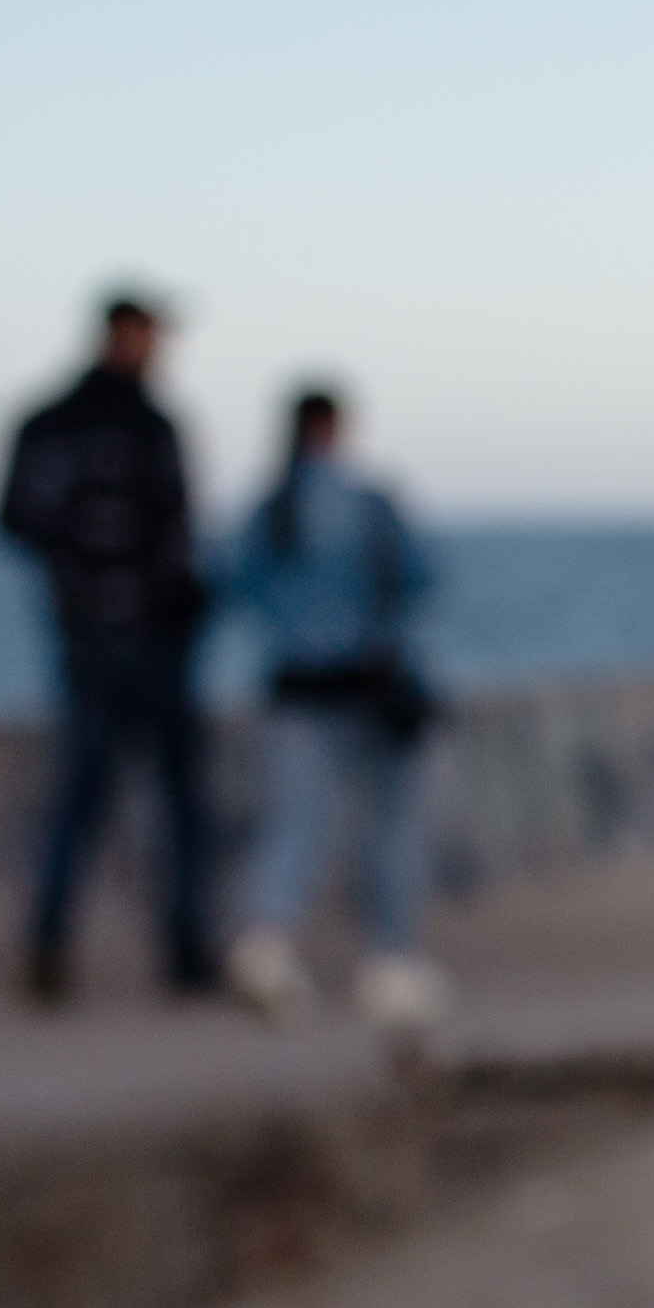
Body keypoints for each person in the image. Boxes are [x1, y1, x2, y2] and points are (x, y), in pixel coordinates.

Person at [0, 289, 221, 1002]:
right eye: (150, 336)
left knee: (102, 798)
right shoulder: (125, 426)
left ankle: (78, 948)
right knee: (142, 799)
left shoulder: (58, 422)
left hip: (113, 633)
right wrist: (109, 568)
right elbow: (23, 520)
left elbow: (15, 521)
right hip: (120, 637)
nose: (158, 351)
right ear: (123, 335)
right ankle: (147, 952)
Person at [212, 384, 452, 1030]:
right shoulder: (369, 504)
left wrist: (294, 619)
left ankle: (266, 946)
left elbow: (227, 586)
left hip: (293, 686)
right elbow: (423, 580)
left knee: (294, 823)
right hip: (365, 688)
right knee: (389, 823)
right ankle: (390, 962)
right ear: (338, 429)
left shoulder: (267, 509)